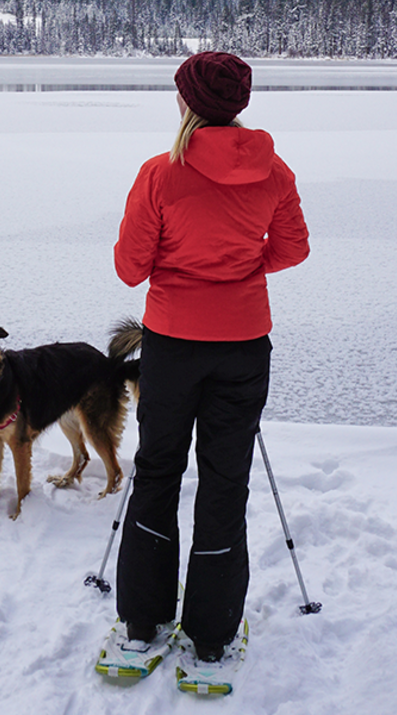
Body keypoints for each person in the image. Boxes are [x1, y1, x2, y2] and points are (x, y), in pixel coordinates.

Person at [112, 51, 310, 664]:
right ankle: (212, 632)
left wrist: (184, 268)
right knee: (225, 483)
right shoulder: (274, 172)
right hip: (244, 345)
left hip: (172, 345)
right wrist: (241, 268)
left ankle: (142, 623)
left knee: (159, 471)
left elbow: (130, 268)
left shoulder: (159, 173)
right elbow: (293, 250)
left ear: (187, 103)